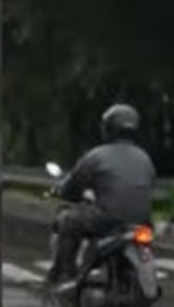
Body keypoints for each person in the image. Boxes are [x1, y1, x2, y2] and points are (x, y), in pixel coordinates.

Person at [46, 104, 157, 287]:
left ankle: (64, 274)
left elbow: (72, 187)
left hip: (107, 218)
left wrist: (66, 193)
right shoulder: (144, 158)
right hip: (142, 221)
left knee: (67, 220)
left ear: (108, 128)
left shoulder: (97, 155)